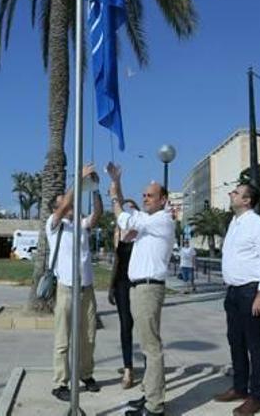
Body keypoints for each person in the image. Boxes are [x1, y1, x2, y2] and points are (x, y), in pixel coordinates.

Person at [107, 162, 173, 416]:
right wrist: (118, 183)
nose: (145, 198)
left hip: (148, 288)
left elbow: (124, 216)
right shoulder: (149, 220)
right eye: (144, 195)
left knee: (151, 348)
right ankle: (149, 395)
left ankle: (154, 406)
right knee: (147, 345)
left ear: (163, 199)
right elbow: (129, 215)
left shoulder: (161, 221)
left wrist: (113, 196)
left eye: (150, 195)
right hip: (138, 288)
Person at [213, 183, 260, 415]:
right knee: (235, 340)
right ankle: (240, 387)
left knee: (255, 345)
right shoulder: (234, 223)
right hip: (233, 291)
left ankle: (256, 397)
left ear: (247, 200)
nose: (231, 194)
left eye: (236, 192)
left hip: (251, 292)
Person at [48, 164, 103, 402]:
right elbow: (62, 206)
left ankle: (86, 374)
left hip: (87, 289)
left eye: (71, 204)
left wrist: (94, 188)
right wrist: (78, 181)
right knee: (63, 340)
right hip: (66, 289)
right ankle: (60, 382)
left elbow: (97, 214)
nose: (70, 206)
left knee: (88, 337)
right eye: (65, 204)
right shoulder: (54, 225)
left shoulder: (80, 225)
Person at [107, 199, 140, 389]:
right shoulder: (118, 233)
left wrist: (135, 206)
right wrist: (111, 286)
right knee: (125, 326)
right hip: (121, 284)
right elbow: (117, 261)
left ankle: (148, 367)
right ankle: (128, 368)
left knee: (143, 327)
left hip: (137, 284)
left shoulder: (142, 232)